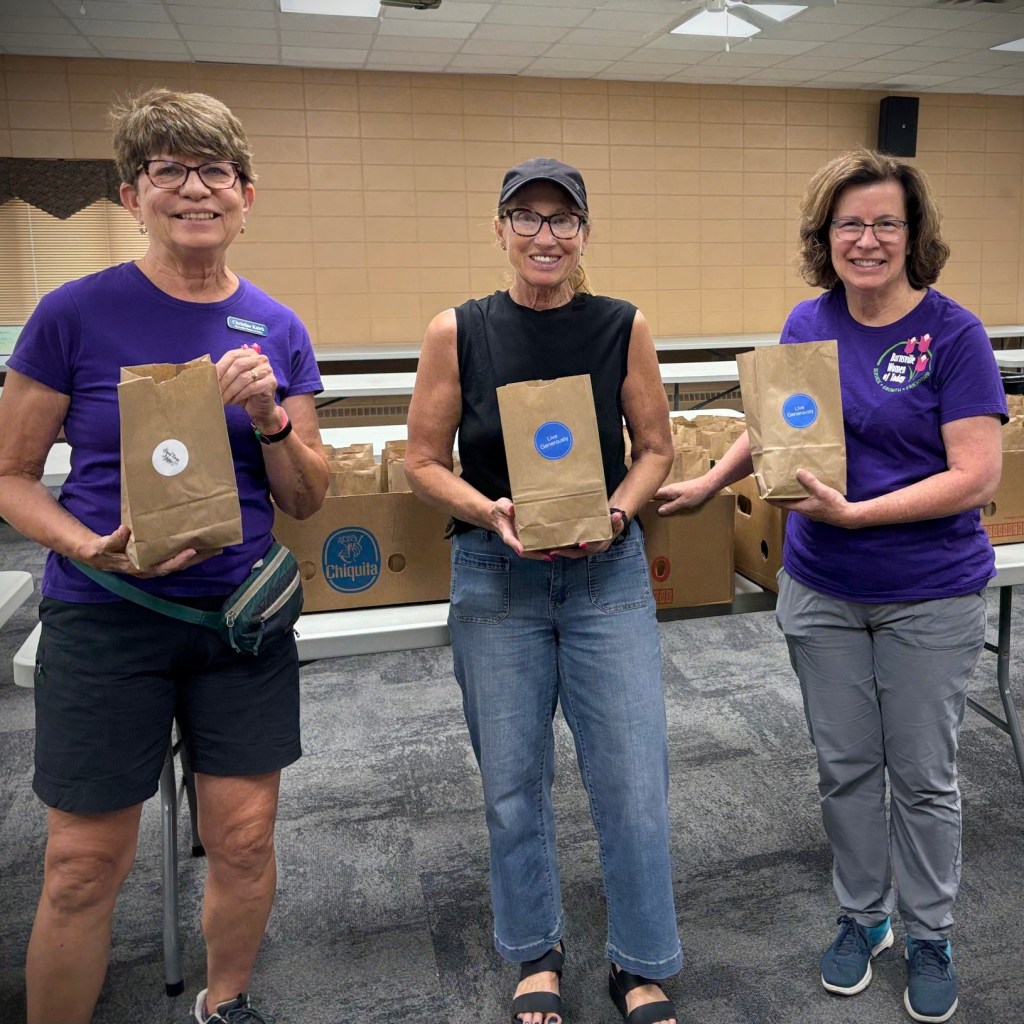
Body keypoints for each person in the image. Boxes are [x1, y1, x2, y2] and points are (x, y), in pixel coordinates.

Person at [0, 88, 329, 1024]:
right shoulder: (72, 314)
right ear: (132, 192)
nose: (194, 189)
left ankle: (225, 1004)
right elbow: (12, 475)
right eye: (167, 170)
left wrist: (268, 416)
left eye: (214, 170)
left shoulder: (278, 328)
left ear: (246, 194)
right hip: (105, 619)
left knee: (245, 838)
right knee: (79, 863)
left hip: (237, 621)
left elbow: (306, 498)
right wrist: (88, 547)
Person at [657, 148, 1006, 1024]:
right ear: (826, 236)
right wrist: (708, 483)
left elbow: (975, 474)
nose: (868, 239)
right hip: (821, 586)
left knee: (923, 775)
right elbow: (777, 428)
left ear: (915, 234)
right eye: (850, 223)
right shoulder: (808, 320)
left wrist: (863, 513)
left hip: (928, 591)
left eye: (887, 222)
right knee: (846, 770)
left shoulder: (953, 335)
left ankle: (930, 930)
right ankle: (864, 917)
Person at [405, 157, 680, 1024]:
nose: (544, 235)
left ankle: (640, 962)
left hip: (607, 577)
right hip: (499, 580)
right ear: (499, 228)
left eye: (562, 219)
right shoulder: (459, 330)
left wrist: (622, 513)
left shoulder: (622, 325)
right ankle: (535, 952)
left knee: (633, 780)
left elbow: (657, 449)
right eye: (526, 216)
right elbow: (421, 461)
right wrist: (488, 511)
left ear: (584, 233)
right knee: (512, 785)